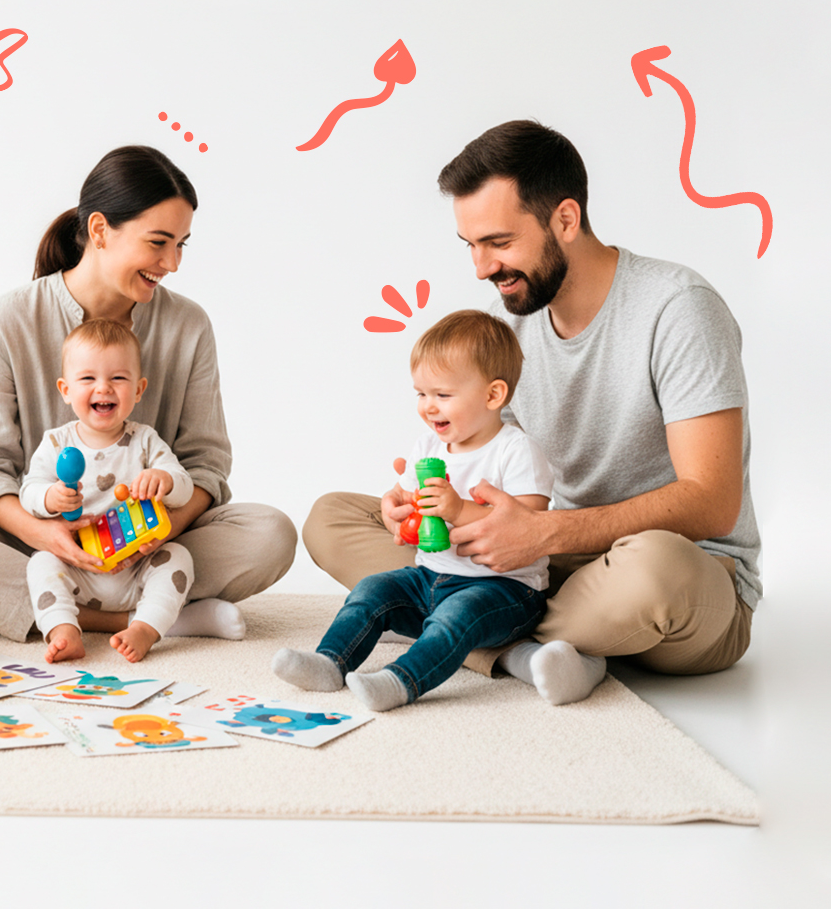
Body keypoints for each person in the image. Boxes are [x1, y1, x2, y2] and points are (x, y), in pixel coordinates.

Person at [303, 120, 759, 684]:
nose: (481, 267)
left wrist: (546, 534)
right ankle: (517, 641)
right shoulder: (506, 332)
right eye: (471, 245)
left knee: (654, 570)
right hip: (544, 567)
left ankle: (475, 632)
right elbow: (489, 469)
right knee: (333, 517)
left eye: (499, 242)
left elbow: (712, 502)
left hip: (680, 573)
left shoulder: (678, 308)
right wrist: (419, 509)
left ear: (565, 219)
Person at [0, 145, 297, 642]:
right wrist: (46, 535)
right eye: (159, 242)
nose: (172, 262)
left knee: (271, 532)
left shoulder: (188, 325)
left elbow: (206, 463)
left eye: (182, 245)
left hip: (151, 547)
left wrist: (160, 532)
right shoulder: (10, 319)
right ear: (101, 230)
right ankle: (154, 618)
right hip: (41, 544)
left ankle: (39, 609)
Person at [275, 310, 583, 710]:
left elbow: (530, 524)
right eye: (421, 394)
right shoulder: (428, 448)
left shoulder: (516, 450)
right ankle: (330, 662)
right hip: (430, 575)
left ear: (493, 396)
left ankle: (401, 680)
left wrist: (458, 508)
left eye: (443, 395)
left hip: (504, 590)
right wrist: (394, 509)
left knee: (456, 616)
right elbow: (403, 497)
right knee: (371, 590)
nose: (428, 407)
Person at [21, 319, 210, 664]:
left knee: (179, 558)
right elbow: (28, 493)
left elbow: (183, 486)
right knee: (40, 563)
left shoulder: (145, 440)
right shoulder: (55, 443)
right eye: (88, 378)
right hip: (79, 565)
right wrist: (50, 498)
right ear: (65, 389)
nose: (104, 388)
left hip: (139, 565)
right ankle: (64, 630)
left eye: (118, 378)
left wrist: (164, 480)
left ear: (138, 390)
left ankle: (145, 628)